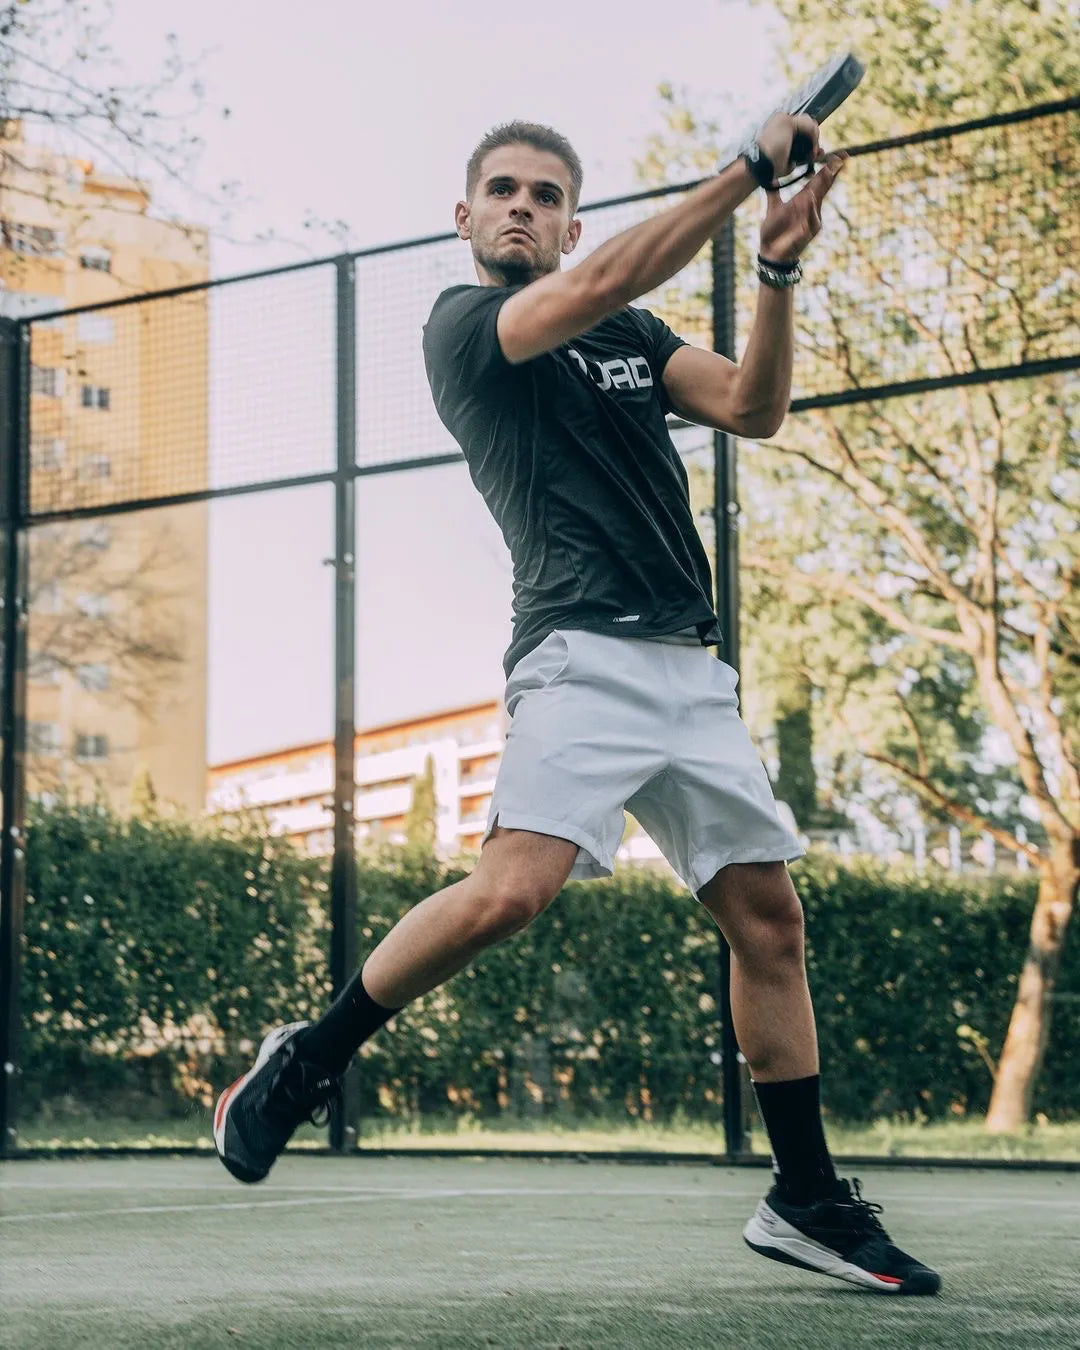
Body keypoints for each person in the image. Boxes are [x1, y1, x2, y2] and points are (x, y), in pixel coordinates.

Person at [215, 113, 940, 1297]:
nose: (520, 207)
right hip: (578, 655)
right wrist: (743, 172)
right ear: (466, 217)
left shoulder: (629, 330)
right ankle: (308, 1058)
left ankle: (805, 1197)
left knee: (771, 925)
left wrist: (773, 270)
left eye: (545, 195)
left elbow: (755, 408)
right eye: (500, 190)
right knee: (513, 891)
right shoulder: (466, 328)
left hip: (689, 669)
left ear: (568, 218)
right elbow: (607, 275)